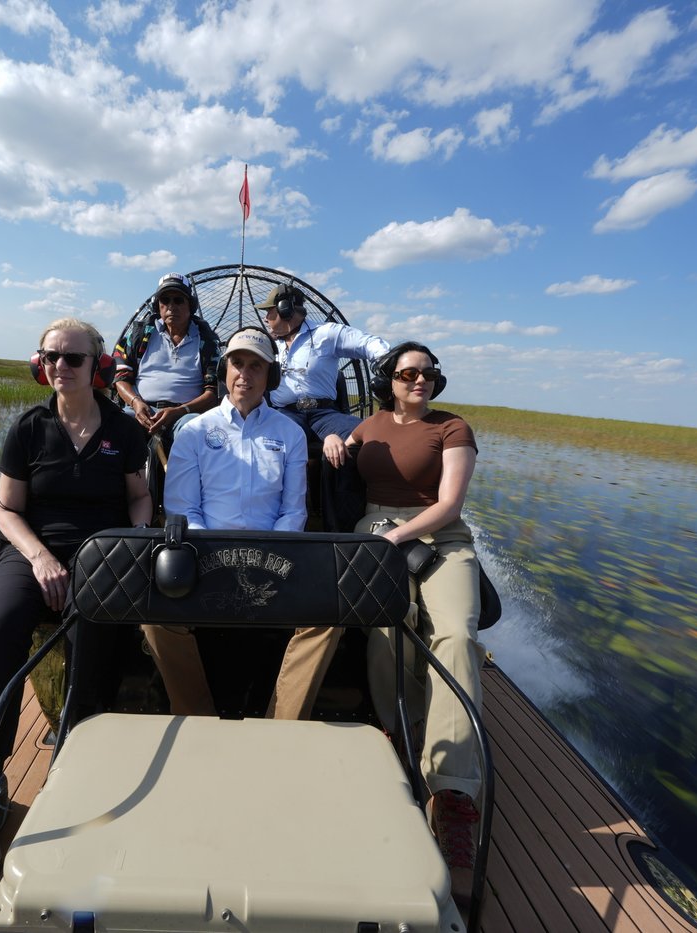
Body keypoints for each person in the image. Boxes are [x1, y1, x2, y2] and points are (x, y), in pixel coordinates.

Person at [0, 318, 151, 901]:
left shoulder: (121, 429)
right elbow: (7, 510)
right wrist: (38, 558)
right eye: (51, 357)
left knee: (99, 624)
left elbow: (139, 496)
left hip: (102, 550)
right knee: (3, 626)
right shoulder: (29, 429)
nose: (61, 367)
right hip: (31, 548)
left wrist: (129, 544)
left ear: (97, 368)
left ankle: (73, 765)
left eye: (73, 358)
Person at [345, 341, 485, 912]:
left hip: (439, 540)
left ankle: (453, 789)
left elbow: (450, 505)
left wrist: (396, 538)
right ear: (389, 379)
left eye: (428, 373)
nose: (420, 380)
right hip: (375, 529)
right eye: (408, 373)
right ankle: (399, 735)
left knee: (456, 636)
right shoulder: (368, 426)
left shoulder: (453, 428)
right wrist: (334, 439)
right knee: (388, 626)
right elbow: (340, 439)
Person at [147, 327, 338, 719]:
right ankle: (195, 715)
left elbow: (293, 511)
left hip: (275, 558)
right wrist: (219, 554)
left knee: (330, 619)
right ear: (223, 370)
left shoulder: (291, 433)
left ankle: (279, 721)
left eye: (256, 366)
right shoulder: (195, 432)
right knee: (153, 620)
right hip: (204, 557)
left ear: (271, 377)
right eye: (237, 364)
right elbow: (183, 510)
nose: (244, 375)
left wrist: (267, 553)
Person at [258, 283, 389, 467]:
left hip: (325, 416)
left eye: (269, 311)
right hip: (286, 414)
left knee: (371, 437)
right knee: (269, 442)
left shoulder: (326, 334)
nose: (265, 318)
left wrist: (387, 366)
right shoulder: (267, 345)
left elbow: (369, 343)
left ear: (285, 310)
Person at [113, 272, 221, 452]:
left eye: (178, 300)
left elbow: (213, 391)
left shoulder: (207, 341)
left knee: (192, 429)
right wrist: (136, 403)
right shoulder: (140, 333)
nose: (171, 306)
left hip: (185, 415)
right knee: (115, 425)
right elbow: (121, 376)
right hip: (141, 410)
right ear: (158, 306)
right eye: (165, 300)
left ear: (190, 306)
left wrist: (180, 411)